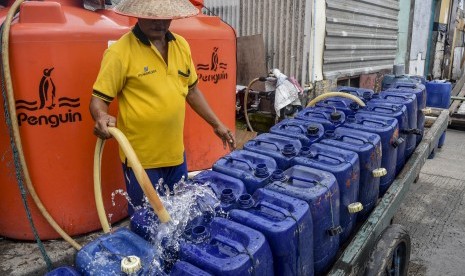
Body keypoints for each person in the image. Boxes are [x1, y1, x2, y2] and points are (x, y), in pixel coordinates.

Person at [90, 0, 236, 215]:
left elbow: (192, 91)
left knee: (178, 216)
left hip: (176, 154)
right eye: (153, 17)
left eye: (165, 17)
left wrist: (217, 125)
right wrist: (101, 116)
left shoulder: (181, 45)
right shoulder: (120, 52)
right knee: (146, 220)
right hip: (141, 159)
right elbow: (98, 99)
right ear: (138, 15)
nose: (160, 23)